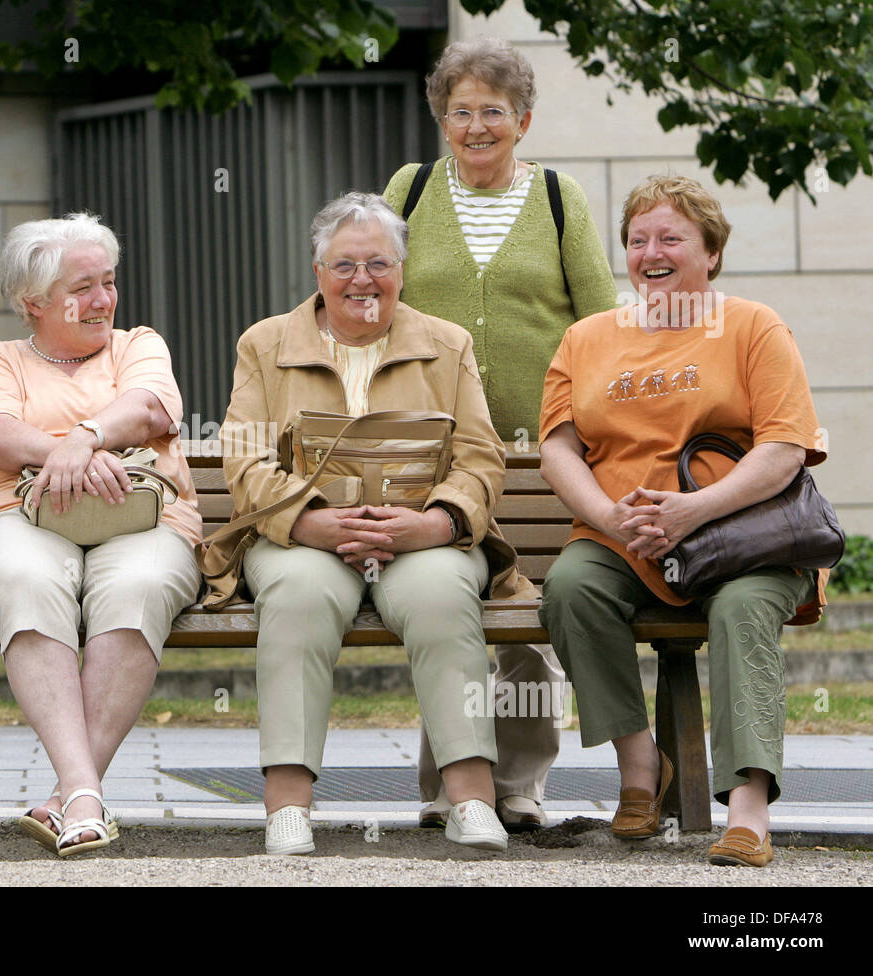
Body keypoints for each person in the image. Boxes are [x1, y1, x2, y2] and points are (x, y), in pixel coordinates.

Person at [203, 192, 536, 855]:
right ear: (318, 270)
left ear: (403, 269)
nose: (362, 280)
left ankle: (471, 798)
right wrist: (313, 521)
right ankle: (288, 805)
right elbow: (244, 460)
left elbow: (479, 457)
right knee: (297, 595)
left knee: (444, 594)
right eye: (344, 264)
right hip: (300, 539)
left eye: (379, 263)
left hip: (421, 538)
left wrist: (437, 523)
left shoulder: (447, 345)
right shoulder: (266, 345)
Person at [538, 174, 828, 867]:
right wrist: (611, 516)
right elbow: (556, 446)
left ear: (712, 253)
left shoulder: (754, 326)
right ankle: (641, 766)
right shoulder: (585, 338)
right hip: (624, 539)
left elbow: (785, 446)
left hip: (743, 539)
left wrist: (692, 509)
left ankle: (749, 808)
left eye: (671, 237)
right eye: (638, 240)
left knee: (740, 613)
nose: (651, 252)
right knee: (571, 589)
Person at [382, 34, 618, 831]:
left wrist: (598, 423)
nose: (476, 126)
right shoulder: (409, 191)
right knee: (443, 610)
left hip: (542, 445)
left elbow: (602, 321)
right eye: (460, 111)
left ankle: (516, 787)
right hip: (431, 444)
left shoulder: (559, 197)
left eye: (492, 111)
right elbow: (375, 303)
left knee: (529, 621)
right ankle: (445, 786)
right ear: (441, 119)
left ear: (522, 118)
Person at [0, 213, 202, 857]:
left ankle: (69, 795)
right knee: (24, 578)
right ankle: (85, 793)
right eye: (83, 287)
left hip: (143, 513)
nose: (104, 300)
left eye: (109, 282)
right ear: (33, 302)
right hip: (16, 515)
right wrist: (67, 454)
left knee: (141, 584)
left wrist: (85, 440)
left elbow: (148, 407)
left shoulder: (138, 343)